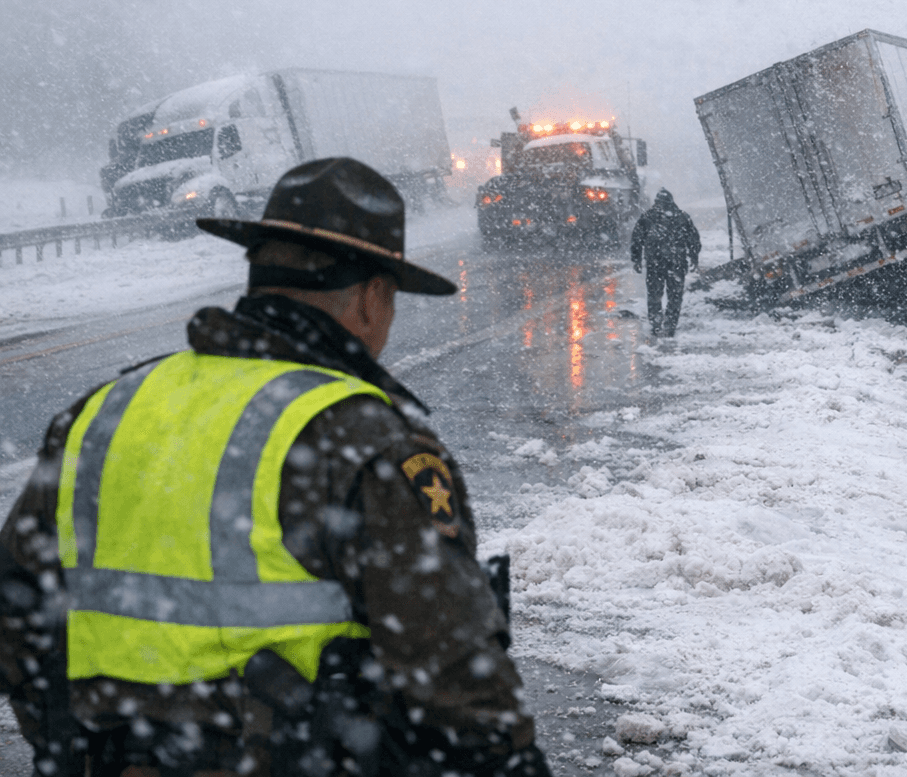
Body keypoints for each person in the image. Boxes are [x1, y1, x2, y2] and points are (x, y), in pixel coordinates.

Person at [0, 157, 550, 777]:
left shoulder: (103, 410)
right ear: (373, 299)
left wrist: (79, 746)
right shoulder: (363, 439)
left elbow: (15, 612)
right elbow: (455, 673)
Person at [629, 189, 700, 338]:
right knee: (674, 296)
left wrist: (636, 259)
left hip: (656, 264)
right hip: (676, 264)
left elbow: (637, 239)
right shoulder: (682, 217)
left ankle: (657, 324)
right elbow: (693, 240)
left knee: (655, 295)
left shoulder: (648, 217)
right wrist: (693, 258)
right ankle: (669, 326)